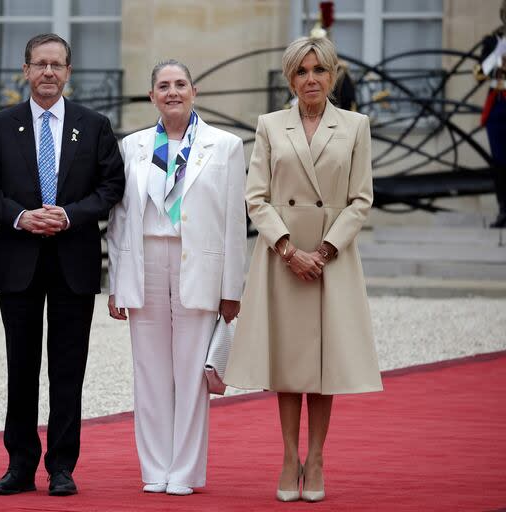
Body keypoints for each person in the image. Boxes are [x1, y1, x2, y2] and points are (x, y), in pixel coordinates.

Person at [224, 36, 383, 503]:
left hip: (334, 258)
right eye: (301, 71)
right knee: (291, 364)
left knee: (324, 363)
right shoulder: (271, 126)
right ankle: (289, 456)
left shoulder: (356, 126)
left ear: (333, 76)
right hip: (283, 258)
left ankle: (316, 458)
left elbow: (361, 199)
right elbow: (256, 197)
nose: (310, 79)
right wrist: (290, 251)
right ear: (289, 78)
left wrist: (326, 250)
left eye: (319, 70)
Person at [0, 33, 125, 497]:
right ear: (25, 70)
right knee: (21, 368)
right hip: (19, 262)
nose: (48, 73)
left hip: (73, 263)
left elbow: (111, 186)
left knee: (67, 369)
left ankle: (62, 466)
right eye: (40, 64)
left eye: (57, 65)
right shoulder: (0, 126)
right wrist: (21, 216)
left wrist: (69, 214)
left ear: (68, 72)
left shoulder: (93, 125)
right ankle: (20, 464)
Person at [106, 60, 247, 496]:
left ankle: (184, 472)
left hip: (199, 265)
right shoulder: (132, 146)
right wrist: (116, 282)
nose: (172, 92)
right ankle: (155, 468)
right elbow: (119, 216)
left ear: (194, 91)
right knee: (149, 371)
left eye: (180, 84)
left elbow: (234, 222)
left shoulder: (224, 146)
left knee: (190, 373)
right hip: (145, 260)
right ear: (151, 96)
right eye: (163, 86)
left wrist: (231, 289)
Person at [475, 0, 506, 228]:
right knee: (500, 161)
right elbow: (478, 73)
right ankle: (504, 209)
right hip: (499, 101)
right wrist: (495, 62)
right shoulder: (494, 40)